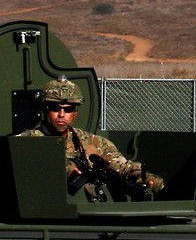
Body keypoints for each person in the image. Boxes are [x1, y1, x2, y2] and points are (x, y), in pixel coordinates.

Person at [16, 78, 163, 201]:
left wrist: (143, 177)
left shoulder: (92, 142)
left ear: (75, 114)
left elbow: (123, 166)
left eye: (68, 109)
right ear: (45, 110)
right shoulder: (26, 143)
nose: (61, 114)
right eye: (55, 108)